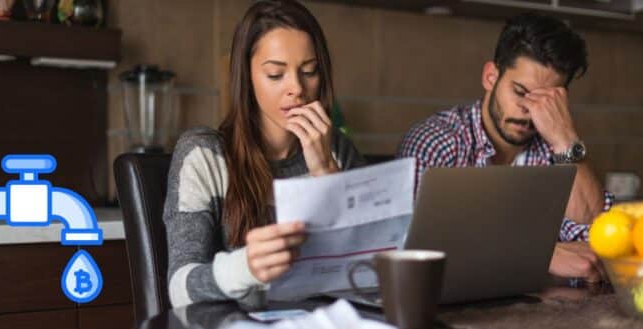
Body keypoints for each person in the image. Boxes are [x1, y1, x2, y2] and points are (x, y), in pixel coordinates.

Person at [163, 0, 365, 308]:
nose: (296, 88)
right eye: (275, 74)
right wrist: (246, 268)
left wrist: (325, 170)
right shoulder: (205, 155)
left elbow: (371, 270)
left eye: (309, 71)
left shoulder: (336, 149)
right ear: (247, 76)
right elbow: (180, 288)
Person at [398, 13, 613, 283]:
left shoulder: (556, 150)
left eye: (545, 100)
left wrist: (566, 140)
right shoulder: (438, 141)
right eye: (521, 92)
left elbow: (600, 241)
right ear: (491, 77)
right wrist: (540, 254)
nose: (528, 110)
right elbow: (413, 253)